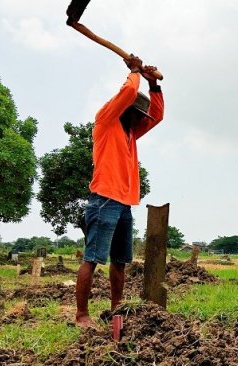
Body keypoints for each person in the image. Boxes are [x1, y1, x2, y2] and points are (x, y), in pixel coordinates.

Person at [75, 55, 164, 328]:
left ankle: (117, 310)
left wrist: (154, 86)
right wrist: (135, 71)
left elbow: (157, 116)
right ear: (126, 110)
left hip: (124, 203)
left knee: (121, 261)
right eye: (137, 113)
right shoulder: (106, 120)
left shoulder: (130, 133)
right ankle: (81, 315)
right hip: (104, 200)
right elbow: (127, 92)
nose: (141, 118)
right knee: (92, 258)